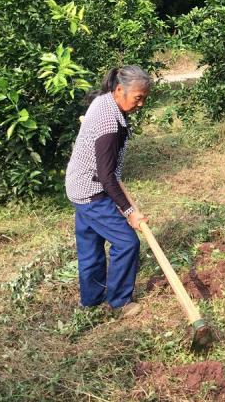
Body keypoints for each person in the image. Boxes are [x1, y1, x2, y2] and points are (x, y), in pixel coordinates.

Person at [65, 65, 151, 317]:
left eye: (145, 98)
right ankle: (119, 302)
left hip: (78, 186)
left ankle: (91, 300)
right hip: (92, 191)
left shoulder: (105, 102)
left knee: (90, 248)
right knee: (127, 243)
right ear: (120, 90)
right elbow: (106, 177)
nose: (141, 104)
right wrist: (130, 211)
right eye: (138, 98)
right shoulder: (108, 123)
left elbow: (107, 171)